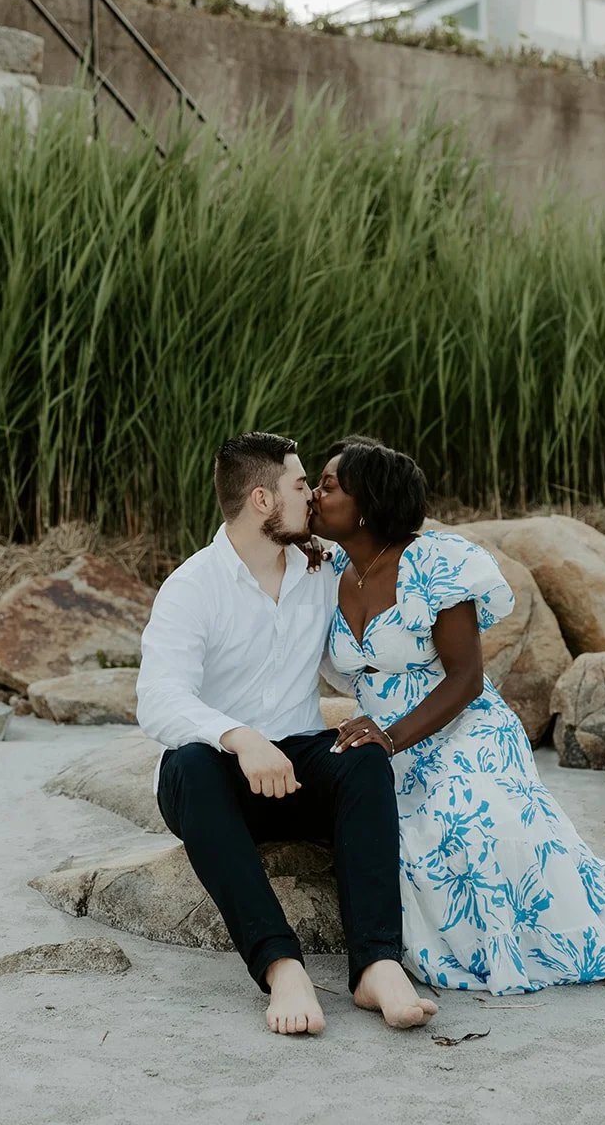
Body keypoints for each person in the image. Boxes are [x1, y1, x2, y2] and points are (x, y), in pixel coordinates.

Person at [311, 437, 605, 996]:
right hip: (382, 737)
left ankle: (541, 946)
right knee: (393, 840)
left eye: (328, 486)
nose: (315, 494)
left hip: (460, 727)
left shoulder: (435, 562)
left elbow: (466, 678)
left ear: (368, 503)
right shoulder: (325, 569)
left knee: (469, 820)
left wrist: (390, 738)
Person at [135, 431, 437, 1036]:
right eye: (302, 487)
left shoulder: (321, 569)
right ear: (262, 502)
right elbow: (159, 698)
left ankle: (376, 961)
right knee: (187, 764)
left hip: (299, 765)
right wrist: (241, 738)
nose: (314, 499)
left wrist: (423, 690)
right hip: (220, 775)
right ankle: (280, 965)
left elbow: (349, 660)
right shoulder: (193, 585)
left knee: (363, 757)